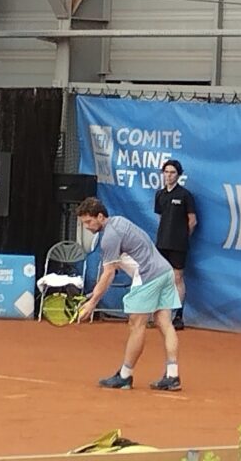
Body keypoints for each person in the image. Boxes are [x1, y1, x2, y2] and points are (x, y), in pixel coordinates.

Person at [76, 196, 182, 391]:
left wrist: (92, 304)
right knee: (164, 323)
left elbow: (109, 273)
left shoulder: (109, 237)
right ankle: (173, 375)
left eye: (89, 222)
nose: (87, 227)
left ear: (100, 216)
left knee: (136, 324)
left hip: (148, 276)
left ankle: (125, 375)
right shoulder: (120, 221)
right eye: (84, 223)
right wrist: (95, 294)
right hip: (165, 272)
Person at [154, 159, 196, 330]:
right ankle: (158, 315)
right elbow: (160, 217)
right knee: (159, 279)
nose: (169, 175)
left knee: (177, 278)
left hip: (179, 245)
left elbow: (192, 221)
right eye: (166, 172)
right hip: (162, 243)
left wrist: (183, 237)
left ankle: (178, 316)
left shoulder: (185, 195)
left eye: (172, 172)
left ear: (178, 175)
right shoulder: (160, 195)